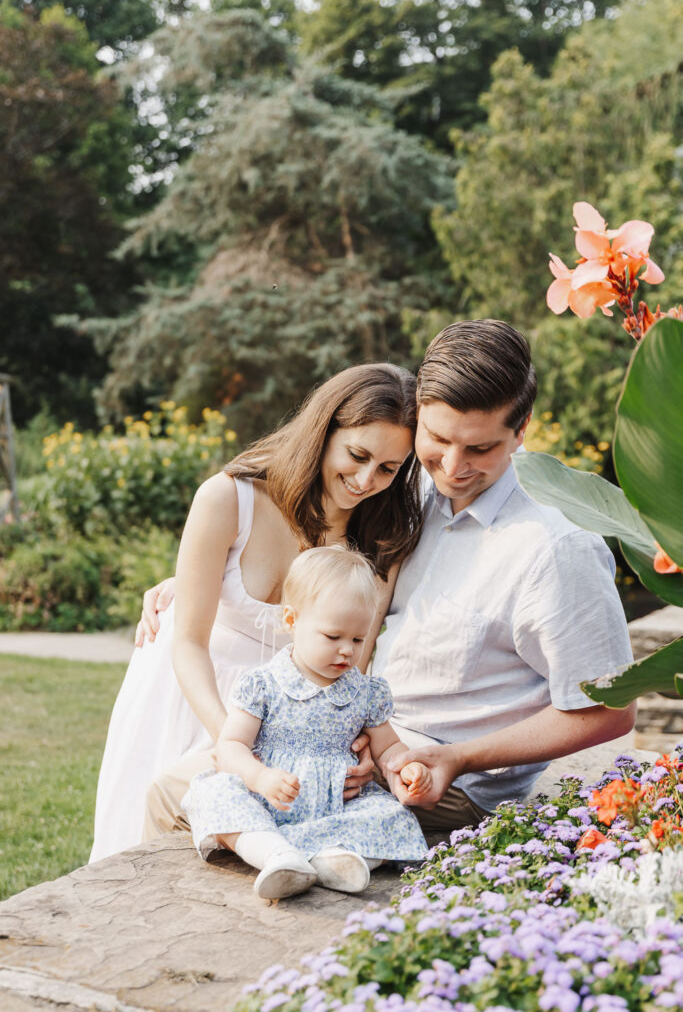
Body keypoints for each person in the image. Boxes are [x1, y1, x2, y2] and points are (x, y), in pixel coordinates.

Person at [139, 319, 636, 840]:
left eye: (481, 449)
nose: (453, 467)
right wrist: (196, 577)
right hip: (352, 737)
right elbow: (319, 549)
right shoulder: (408, 483)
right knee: (185, 788)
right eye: (438, 438)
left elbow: (612, 711)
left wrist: (456, 758)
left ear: (522, 427)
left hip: (440, 780)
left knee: (178, 794)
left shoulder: (557, 547)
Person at [89, 363, 422, 863]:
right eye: (357, 455)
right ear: (323, 430)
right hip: (194, 694)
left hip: (291, 721)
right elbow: (188, 643)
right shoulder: (229, 498)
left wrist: (356, 750)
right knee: (150, 843)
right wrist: (234, 748)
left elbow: (352, 666)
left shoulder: (380, 544)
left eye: (388, 469)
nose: (364, 479)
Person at [182, 546, 429, 901]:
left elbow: (388, 746)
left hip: (337, 805)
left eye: (358, 639)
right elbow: (231, 745)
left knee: (389, 813)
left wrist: (406, 766)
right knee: (215, 794)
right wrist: (260, 777)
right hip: (268, 799)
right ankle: (276, 857)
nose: (347, 650)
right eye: (333, 637)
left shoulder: (364, 692)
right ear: (292, 621)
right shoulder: (264, 684)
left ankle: (336, 859)